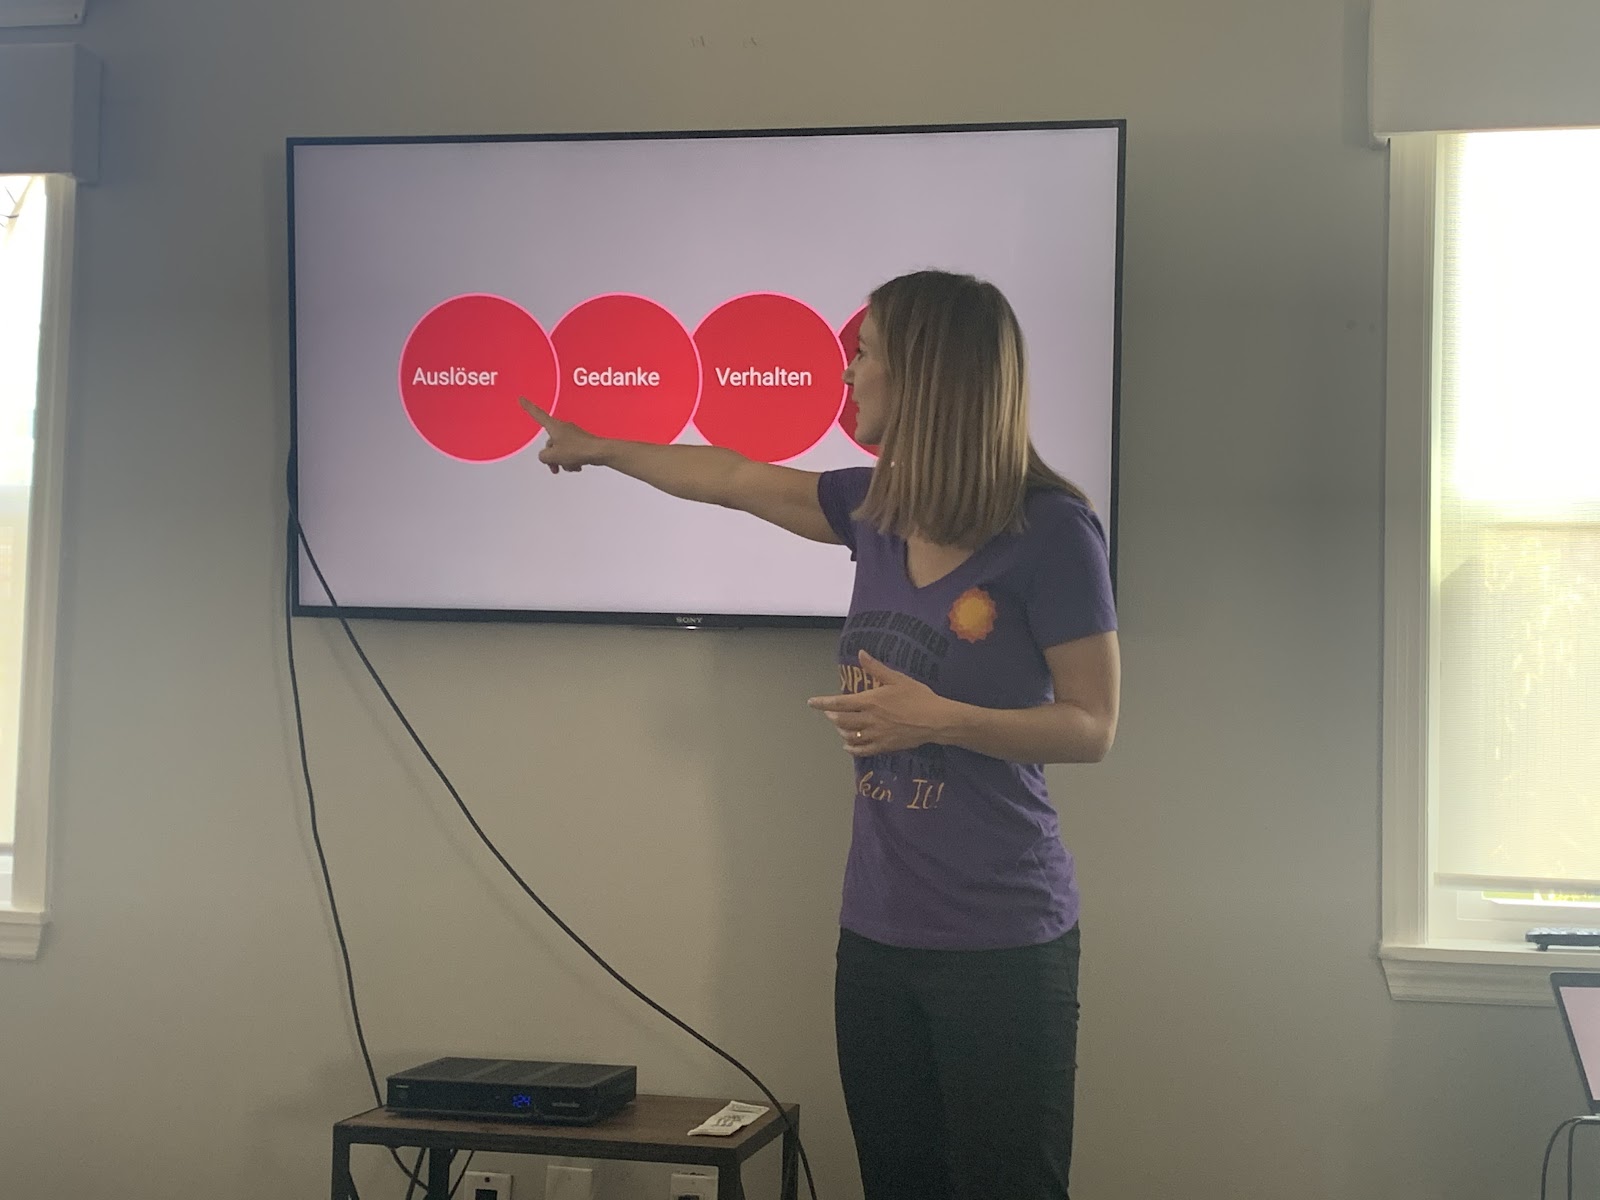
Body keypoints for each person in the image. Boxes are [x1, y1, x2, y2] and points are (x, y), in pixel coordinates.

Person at [520, 269, 1120, 1200]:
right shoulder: (875, 511)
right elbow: (730, 477)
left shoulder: (1051, 531)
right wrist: (600, 447)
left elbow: (1091, 725)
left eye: (864, 352)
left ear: (925, 375)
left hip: (1003, 947)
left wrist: (942, 719)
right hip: (876, 937)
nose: (845, 371)